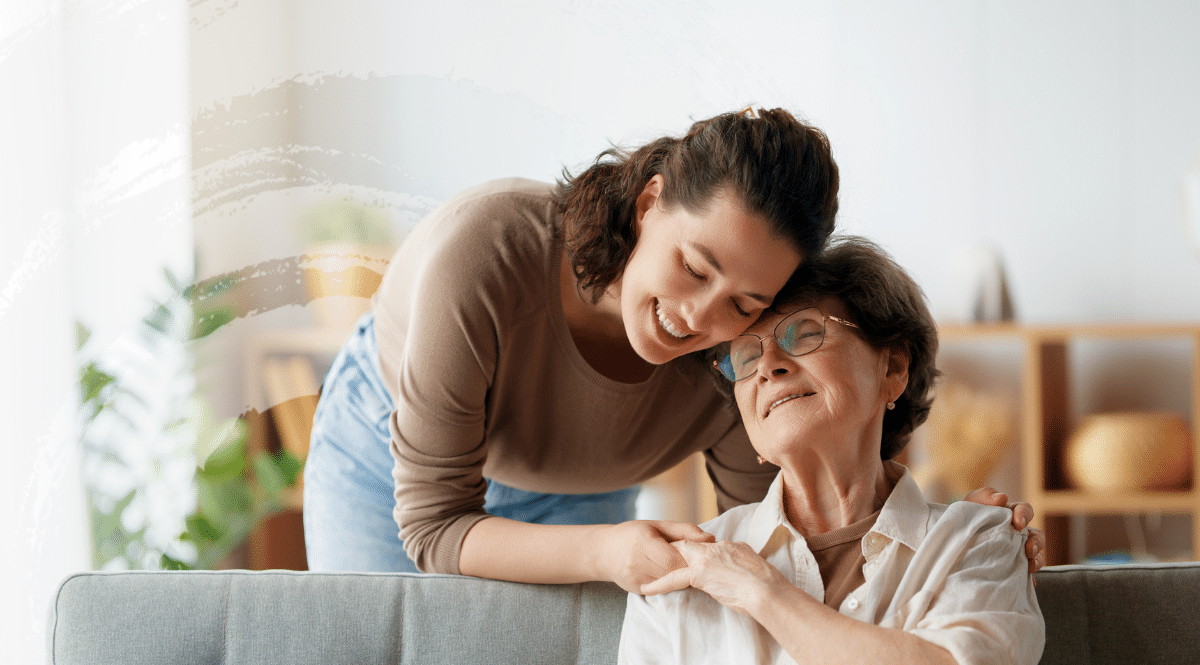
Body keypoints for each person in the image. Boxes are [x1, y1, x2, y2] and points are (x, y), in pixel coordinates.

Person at [303, 108, 1043, 589]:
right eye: (694, 266)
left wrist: (951, 539)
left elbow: (789, 542)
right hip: (393, 462)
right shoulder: (487, 254)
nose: (695, 317)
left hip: (579, 491)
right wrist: (604, 553)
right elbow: (434, 527)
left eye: (744, 303)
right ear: (650, 202)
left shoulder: (739, 360)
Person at [603, 238, 1106, 665]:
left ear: (893, 368)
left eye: (801, 334)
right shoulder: (684, 569)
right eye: (746, 357)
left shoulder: (976, 541)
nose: (768, 367)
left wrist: (763, 592)